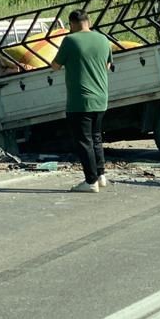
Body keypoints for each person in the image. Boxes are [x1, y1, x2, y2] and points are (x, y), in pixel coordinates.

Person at [51, 10, 112, 193]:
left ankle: (90, 181)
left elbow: (55, 66)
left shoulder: (70, 40)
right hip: (101, 98)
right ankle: (100, 175)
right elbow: (107, 65)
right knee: (96, 138)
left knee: (84, 141)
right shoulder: (103, 39)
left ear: (71, 24)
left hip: (80, 100)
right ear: (88, 21)